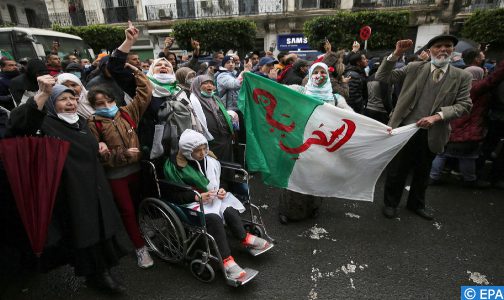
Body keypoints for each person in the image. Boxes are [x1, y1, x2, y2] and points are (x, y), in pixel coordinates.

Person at [6, 77, 126, 293]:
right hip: (71, 190)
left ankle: (105, 269)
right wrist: (42, 94)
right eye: (63, 99)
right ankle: (98, 276)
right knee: (85, 232)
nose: (70, 102)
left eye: (72, 98)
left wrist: (99, 146)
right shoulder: (44, 123)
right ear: (52, 103)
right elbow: (18, 125)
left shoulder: (79, 120)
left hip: (95, 185)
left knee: (101, 228)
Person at [376, 35, 473, 220]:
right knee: (397, 171)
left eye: (448, 46)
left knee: (423, 172)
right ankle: (390, 204)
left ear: (453, 50)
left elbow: (464, 105)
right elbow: (382, 76)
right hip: (404, 129)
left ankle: (416, 204)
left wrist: (438, 116)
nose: (443, 49)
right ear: (429, 51)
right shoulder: (414, 67)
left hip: (434, 132)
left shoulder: (462, 76)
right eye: (438, 46)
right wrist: (396, 54)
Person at [163, 129, 272, 280]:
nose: (202, 153)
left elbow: (221, 181)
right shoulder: (174, 167)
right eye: (197, 151)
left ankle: (244, 237)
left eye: (204, 148)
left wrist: (222, 189)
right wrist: (196, 196)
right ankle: (227, 260)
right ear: (188, 151)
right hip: (190, 204)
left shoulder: (210, 160)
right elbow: (171, 195)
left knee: (228, 209)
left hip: (212, 198)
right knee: (213, 218)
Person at [87, 64, 154, 269]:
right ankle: (140, 248)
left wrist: (137, 72)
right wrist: (122, 154)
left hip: (137, 170)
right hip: (115, 176)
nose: (106, 105)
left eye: (109, 100)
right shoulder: (93, 123)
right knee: (126, 210)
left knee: (139, 205)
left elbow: (145, 93)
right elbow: (99, 158)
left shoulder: (127, 113)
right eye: (100, 103)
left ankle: (143, 232)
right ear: (93, 106)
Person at [430, 62, 504, 188]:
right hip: (467, 127)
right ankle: (469, 180)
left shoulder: (455, 84)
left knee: (441, 154)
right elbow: (492, 80)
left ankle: (433, 176)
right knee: (468, 156)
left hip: (450, 124)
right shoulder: (475, 87)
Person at [189, 75, 235, 162]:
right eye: (205, 83)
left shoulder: (216, 98)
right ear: (197, 85)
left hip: (225, 138)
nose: (210, 85)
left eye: (211, 83)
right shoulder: (193, 101)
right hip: (210, 142)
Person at [289, 62, 353, 110]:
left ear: (327, 75)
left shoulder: (337, 99)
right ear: (310, 75)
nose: (319, 75)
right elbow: (280, 90)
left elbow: (353, 117)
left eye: (323, 72)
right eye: (315, 72)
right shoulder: (300, 91)